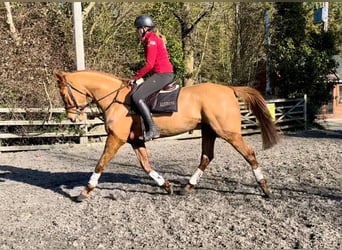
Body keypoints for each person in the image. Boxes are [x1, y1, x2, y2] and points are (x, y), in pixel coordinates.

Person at [130, 14, 174, 141]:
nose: (137, 32)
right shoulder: (152, 39)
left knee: (136, 96)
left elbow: (149, 64)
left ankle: (152, 129)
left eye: (138, 29)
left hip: (163, 74)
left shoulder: (151, 41)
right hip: (160, 74)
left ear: (144, 28)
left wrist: (136, 77)